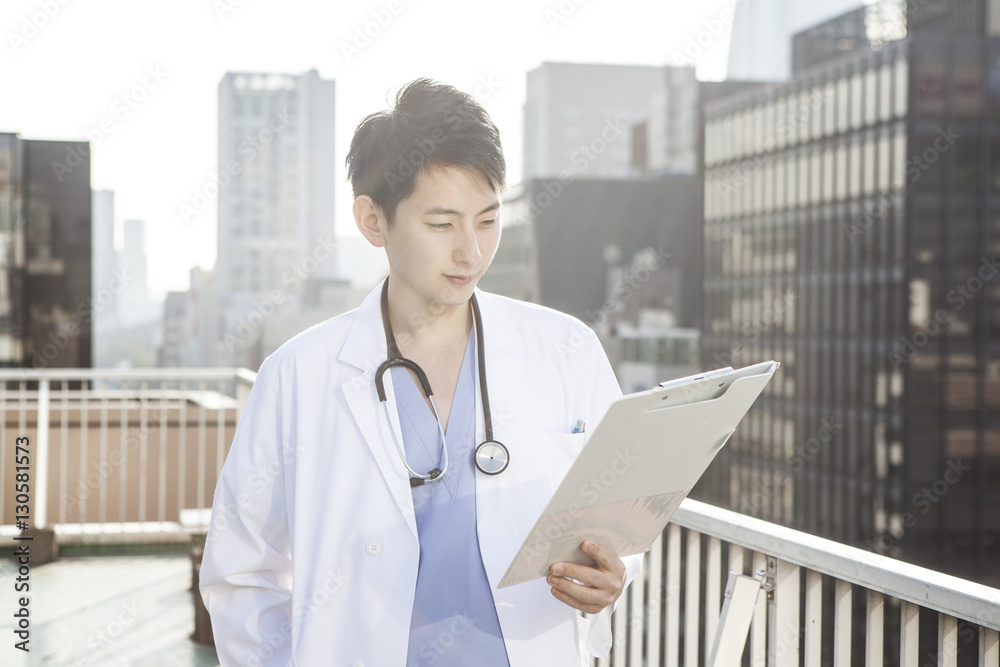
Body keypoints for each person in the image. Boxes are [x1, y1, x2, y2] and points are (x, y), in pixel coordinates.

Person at [199, 77, 642, 667]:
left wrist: (612, 577)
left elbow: (619, 517)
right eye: (442, 224)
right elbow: (241, 571)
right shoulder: (297, 377)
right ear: (372, 220)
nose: (471, 252)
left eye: (487, 221)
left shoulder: (567, 349)